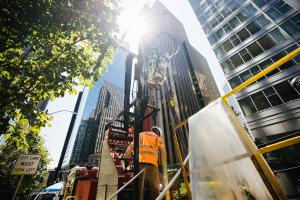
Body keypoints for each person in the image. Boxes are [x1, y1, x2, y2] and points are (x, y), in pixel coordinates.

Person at [124, 126, 167, 200]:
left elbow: (131, 146)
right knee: (154, 190)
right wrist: (162, 165)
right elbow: (163, 152)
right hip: (152, 168)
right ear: (159, 133)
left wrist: (125, 157)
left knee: (139, 190)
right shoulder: (158, 138)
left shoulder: (140, 135)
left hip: (140, 166)